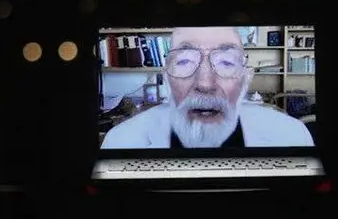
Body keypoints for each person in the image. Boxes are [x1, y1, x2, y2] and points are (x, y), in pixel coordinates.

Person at [101, 26, 315, 149]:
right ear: (166, 78)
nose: (205, 84)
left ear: (245, 79)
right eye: (185, 62)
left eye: (226, 62)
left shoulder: (293, 137)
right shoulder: (120, 142)